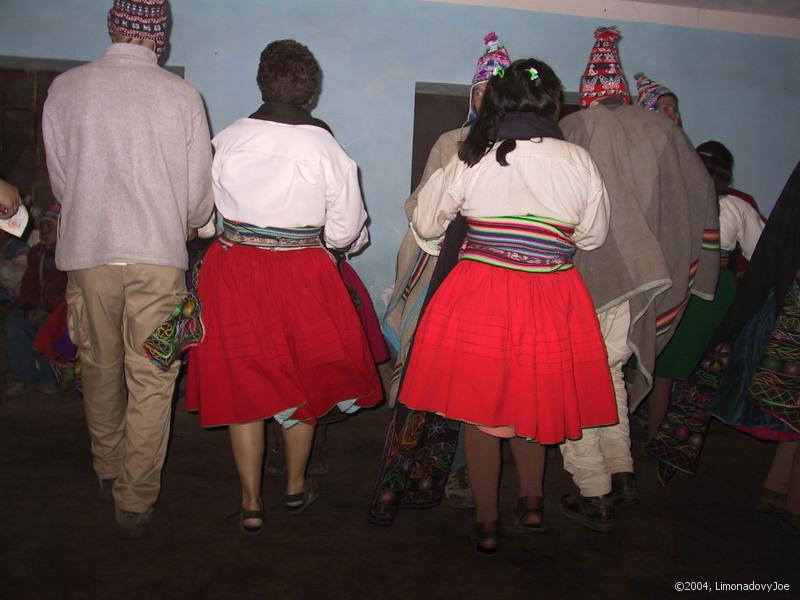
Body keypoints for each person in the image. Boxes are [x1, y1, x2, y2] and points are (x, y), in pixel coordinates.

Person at [398, 58, 617, 554]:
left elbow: (427, 223)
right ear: (552, 104)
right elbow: (594, 235)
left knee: (483, 409)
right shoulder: (577, 160)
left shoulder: (474, 155)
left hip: (483, 293)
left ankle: (487, 523)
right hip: (550, 293)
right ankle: (532, 503)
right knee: (530, 401)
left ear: (497, 102)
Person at [185, 39, 381, 536]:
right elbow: (345, 232)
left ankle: (251, 503)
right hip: (302, 274)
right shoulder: (325, 148)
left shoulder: (227, 139)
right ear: (310, 90)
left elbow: (203, 213)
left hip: (234, 272)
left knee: (244, 386)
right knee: (302, 377)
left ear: (261, 82)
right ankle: (295, 486)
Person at [42, 0, 214, 537]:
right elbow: (198, 199)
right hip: (158, 258)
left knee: (98, 365)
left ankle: (107, 467)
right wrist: (187, 221)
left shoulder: (65, 90)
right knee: (154, 375)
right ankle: (135, 498)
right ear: (159, 35)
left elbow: (62, 184)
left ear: (113, 27)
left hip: (88, 254)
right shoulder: (183, 96)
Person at [558, 26, 719, 532]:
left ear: (587, 90)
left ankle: (594, 491)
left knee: (578, 379)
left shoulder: (571, 127)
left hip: (589, 277)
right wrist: (693, 264)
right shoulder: (662, 129)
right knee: (609, 374)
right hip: (647, 279)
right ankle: (622, 470)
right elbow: (703, 196)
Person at [370, 32, 511, 524]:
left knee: (474, 375)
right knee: (422, 368)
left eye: (495, 91)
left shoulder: (521, 149)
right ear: (471, 96)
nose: (485, 99)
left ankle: (456, 472)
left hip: (491, 276)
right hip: (441, 268)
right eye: (479, 91)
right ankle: (398, 478)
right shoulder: (450, 143)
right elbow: (419, 203)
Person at [645, 161, 800, 535]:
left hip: (683, 291)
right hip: (719, 294)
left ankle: (778, 487)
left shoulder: (677, 201)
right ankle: (784, 494)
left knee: (675, 373)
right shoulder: (734, 206)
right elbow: (762, 246)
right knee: (692, 375)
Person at [648, 143, 764, 440]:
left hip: (676, 283)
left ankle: (653, 437)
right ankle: (677, 443)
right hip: (712, 291)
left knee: (664, 370)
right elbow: (760, 252)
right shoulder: (737, 206)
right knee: (699, 372)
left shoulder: (673, 199)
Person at [4, 204, 66, 396]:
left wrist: (48, 310)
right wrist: (28, 307)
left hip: (60, 311)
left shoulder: (68, 254)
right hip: (38, 308)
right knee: (14, 324)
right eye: (42, 226)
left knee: (48, 327)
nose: (44, 231)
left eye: (49, 226)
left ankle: (51, 379)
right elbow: (28, 284)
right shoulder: (37, 253)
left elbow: (69, 290)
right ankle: (23, 377)